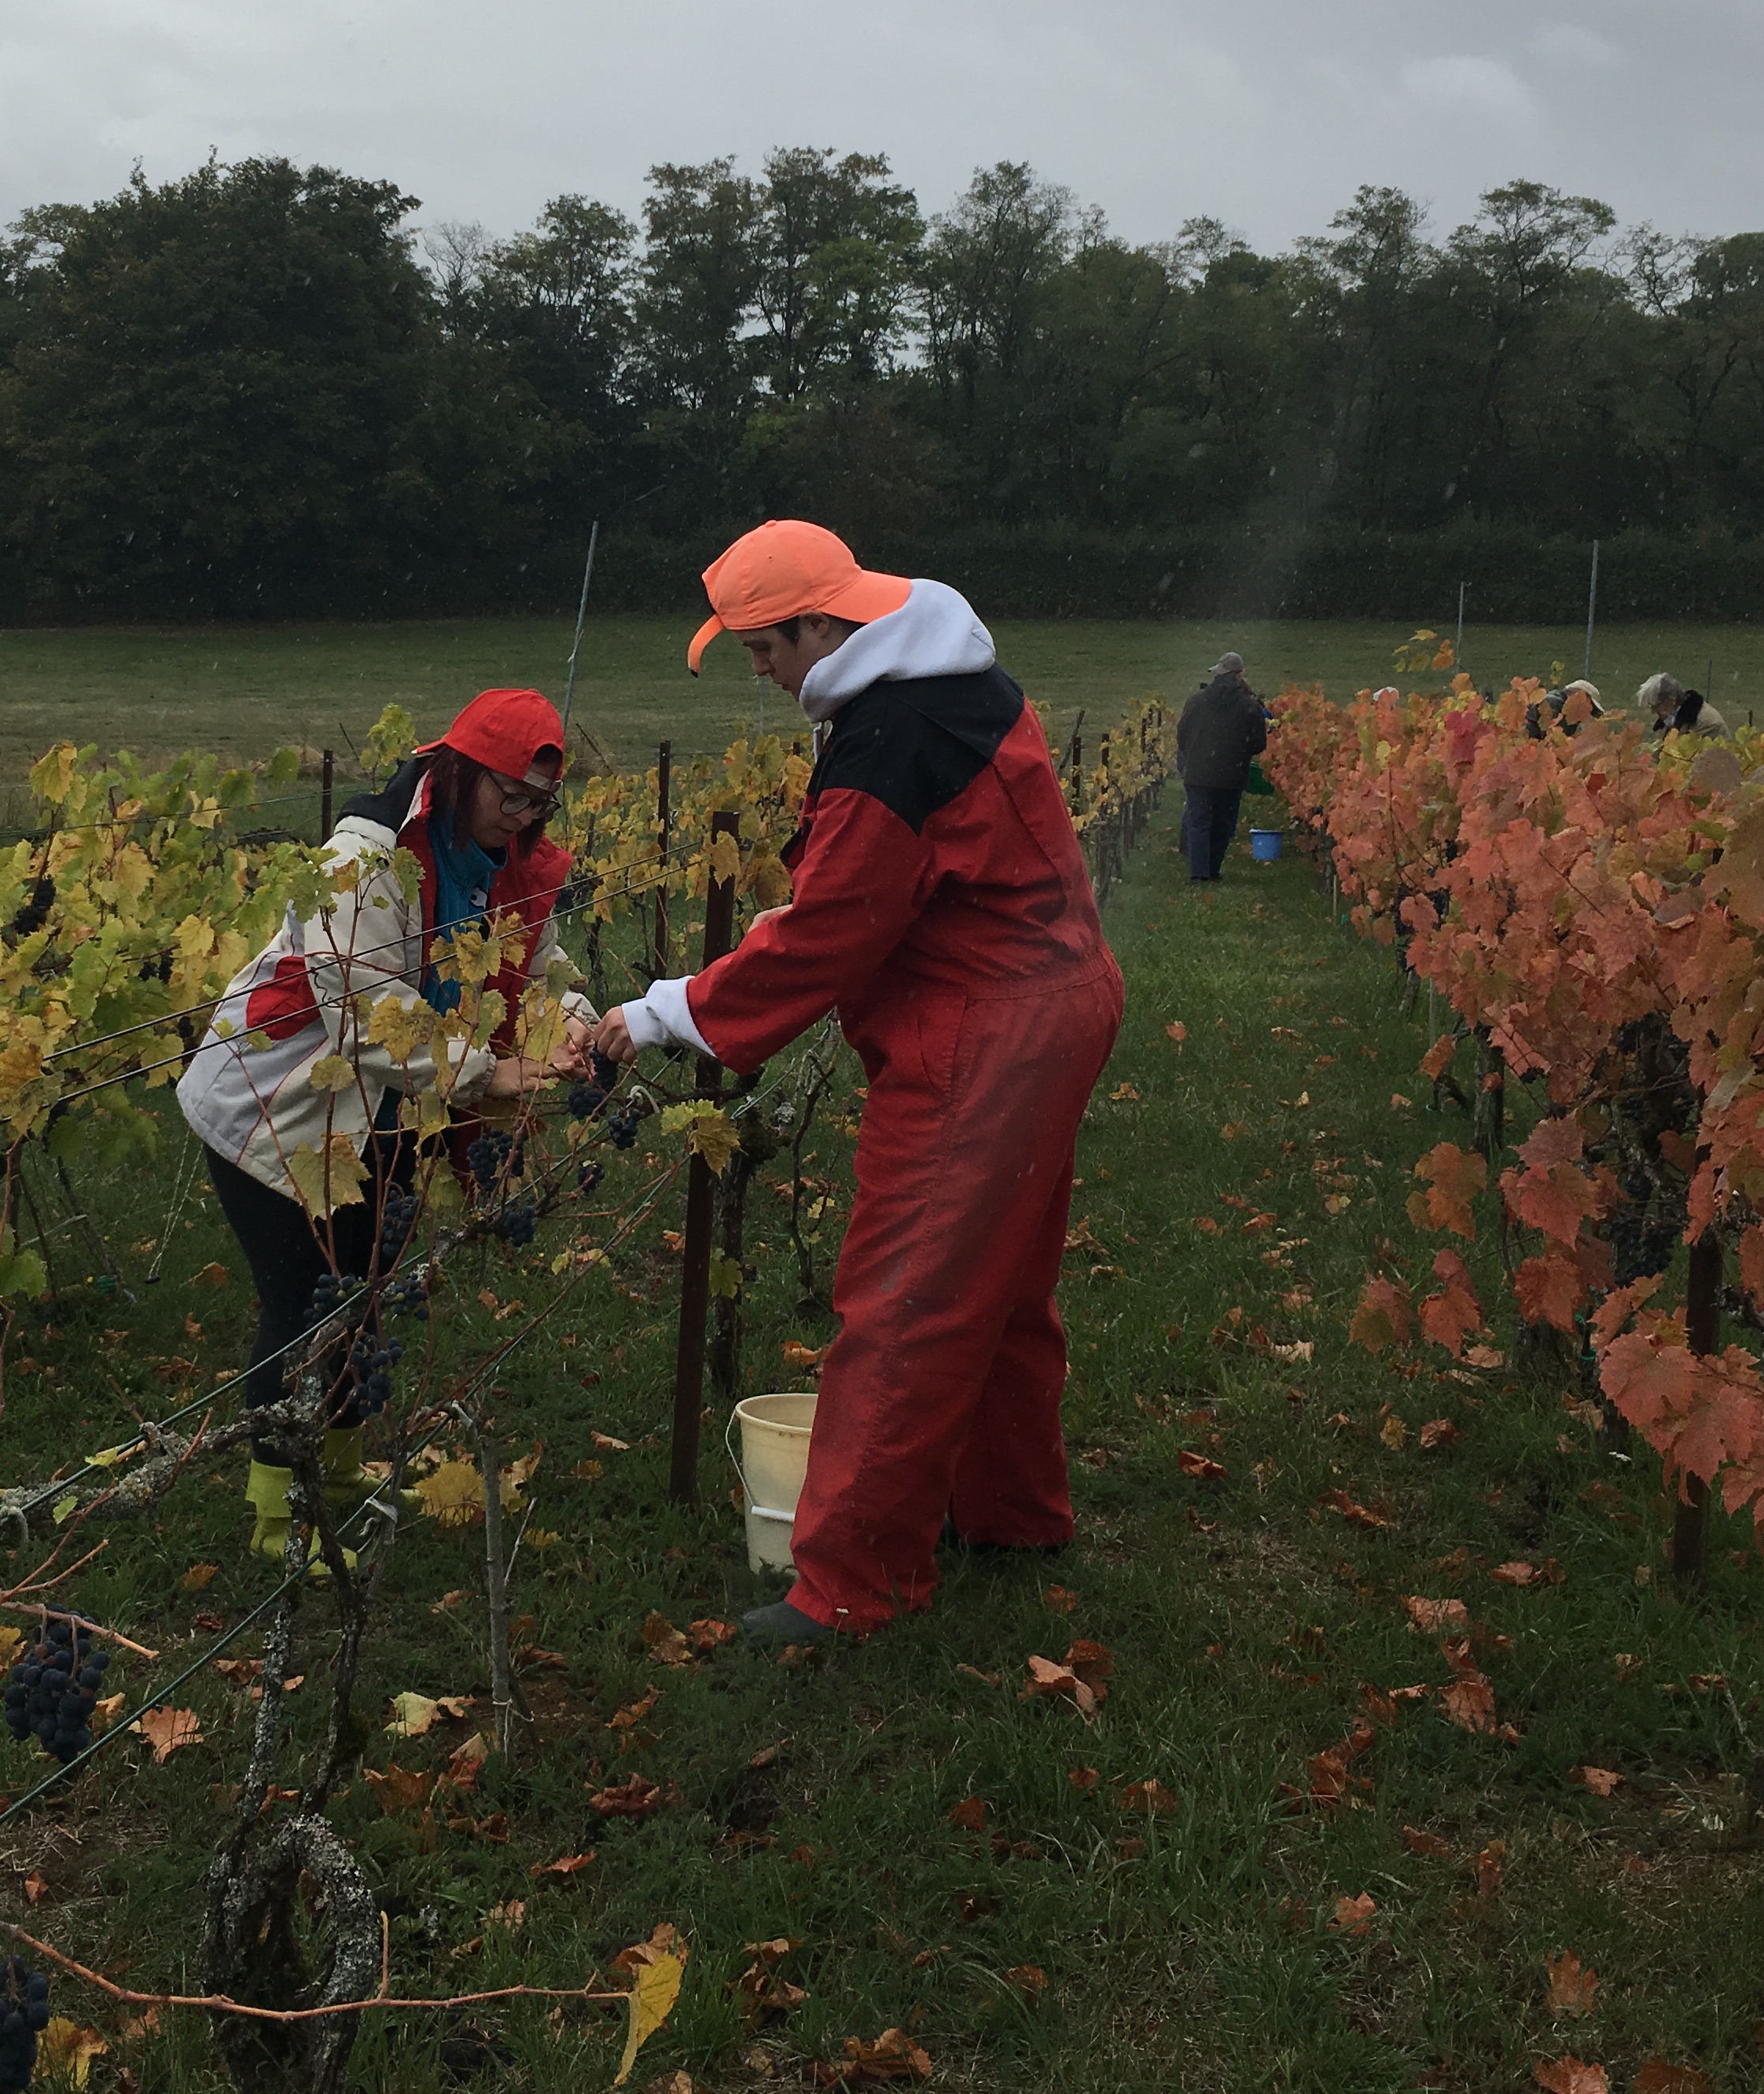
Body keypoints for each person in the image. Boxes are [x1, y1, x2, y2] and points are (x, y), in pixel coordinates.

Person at [592, 520, 1126, 1646]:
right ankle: (1014, 1515)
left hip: (983, 1035)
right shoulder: (955, 679)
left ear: (823, 624)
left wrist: (659, 1013)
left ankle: (849, 1589)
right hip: (1057, 1002)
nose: (760, 671)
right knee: (1004, 1284)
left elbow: (834, 931)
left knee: (907, 1301)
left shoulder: (892, 736)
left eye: (763, 646)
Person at [178, 689, 593, 1559]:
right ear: (458, 772)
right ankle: (273, 1512)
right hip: (274, 1103)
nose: (521, 816)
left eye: (538, 804)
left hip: (383, 1113)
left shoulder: (507, 866)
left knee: (362, 1291)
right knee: (300, 1303)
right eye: (509, 795)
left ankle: (333, 1466)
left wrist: (579, 1025)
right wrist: (486, 1069)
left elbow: (535, 968)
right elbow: (364, 1008)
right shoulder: (367, 858)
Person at [1174, 651, 1267, 884]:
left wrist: (1194, 755)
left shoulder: (1197, 701)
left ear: (1219, 674)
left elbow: (1182, 735)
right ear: (1240, 675)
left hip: (1197, 773)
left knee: (1199, 822)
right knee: (1222, 824)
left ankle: (1198, 874)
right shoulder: (1249, 706)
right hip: (1232, 775)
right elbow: (1259, 744)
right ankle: (1214, 870)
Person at [1635, 670, 1729, 739]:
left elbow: (1687, 761)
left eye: (1657, 707)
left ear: (1671, 701)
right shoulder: (1677, 717)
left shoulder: (1708, 724)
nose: (1653, 712)